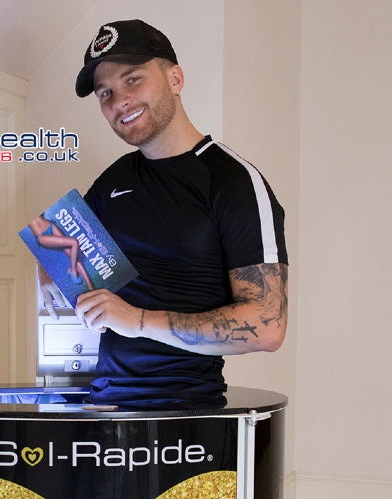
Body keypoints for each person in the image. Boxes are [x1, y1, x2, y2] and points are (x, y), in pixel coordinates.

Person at [40, 19, 288, 409]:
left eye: (133, 80)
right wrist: (56, 276)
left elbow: (268, 326)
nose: (119, 101)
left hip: (185, 414)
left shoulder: (234, 181)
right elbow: (56, 248)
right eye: (105, 92)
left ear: (175, 79)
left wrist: (137, 319)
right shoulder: (115, 178)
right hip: (101, 405)